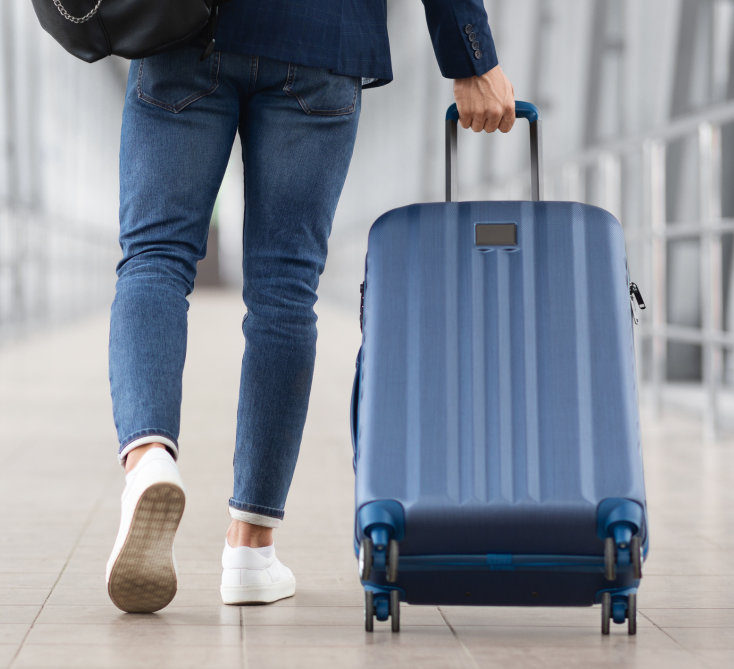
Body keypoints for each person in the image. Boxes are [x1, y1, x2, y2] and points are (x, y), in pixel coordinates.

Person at [105, 0, 517, 613]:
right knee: (284, 290)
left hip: (187, 30)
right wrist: (470, 57)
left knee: (155, 258)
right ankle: (251, 548)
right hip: (324, 38)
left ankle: (149, 460)